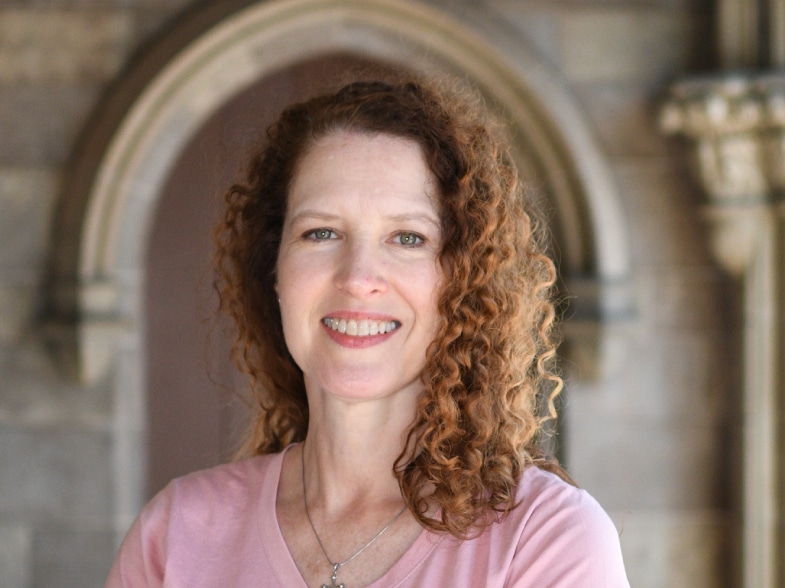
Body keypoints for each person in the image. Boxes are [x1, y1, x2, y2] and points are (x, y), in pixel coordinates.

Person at [105, 76, 629, 587]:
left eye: (407, 237)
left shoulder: (545, 540)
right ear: (275, 269)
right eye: (322, 232)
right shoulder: (176, 536)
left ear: (465, 278)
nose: (357, 278)